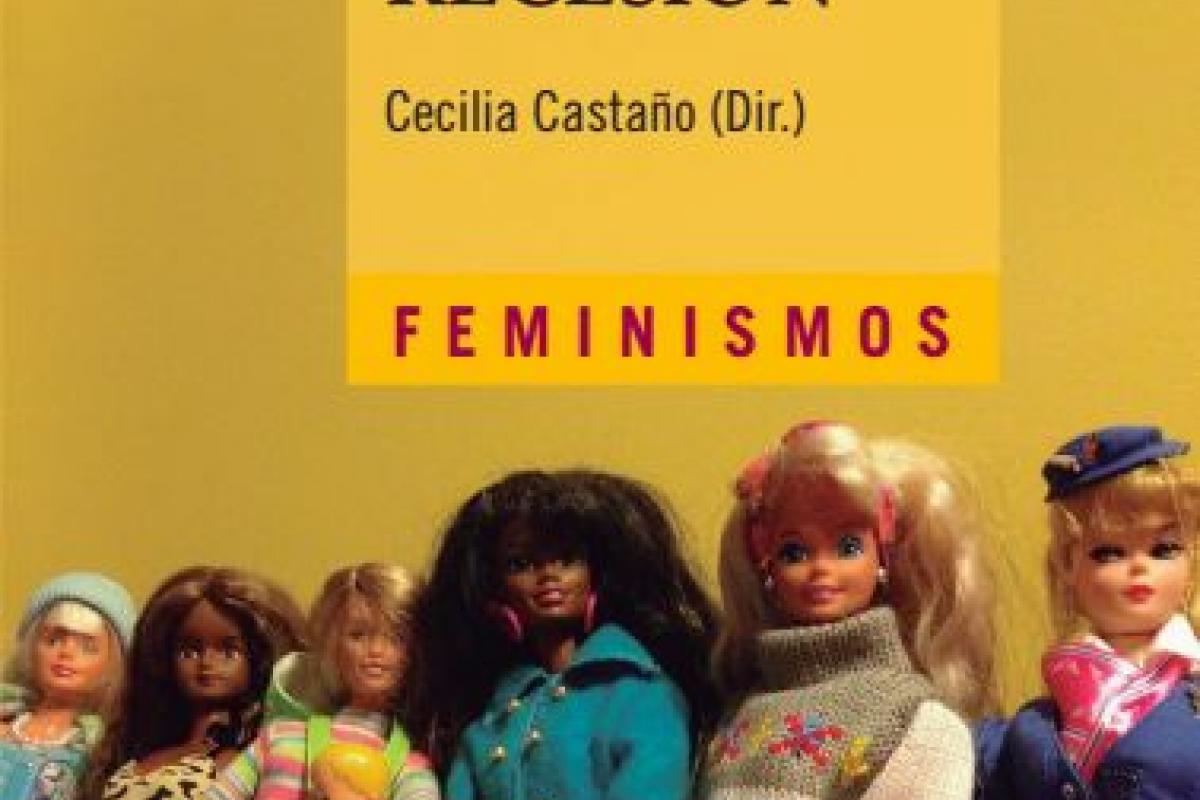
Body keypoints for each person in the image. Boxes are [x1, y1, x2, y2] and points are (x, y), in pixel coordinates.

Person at [704, 421, 994, 800]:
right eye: (794, 552)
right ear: (766, 566)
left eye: (848, 548)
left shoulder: (911, 718)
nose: (821, 568)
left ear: (882, 558)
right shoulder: (744, 710)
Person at [418, 468, 719, 800]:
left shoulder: (640, 692)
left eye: (567, 558)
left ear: (596, 573)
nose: (549, 574)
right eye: (520, 564)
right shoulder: (492, 716)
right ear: (494, 586)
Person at [977, 425, 1200, 799]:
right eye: (1108, 552)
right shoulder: (1040, 718)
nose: (1139, 567)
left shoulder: (1188, 683)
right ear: (1068, 565)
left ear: (1191, 561)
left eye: (1163, 549)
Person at [208, 563, 438, 800]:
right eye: (357, 635)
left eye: (396, 638)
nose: (376, 650)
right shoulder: (281, 737)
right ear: (334, 645)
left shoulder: (408, 768)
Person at [93, 566, 305, 800]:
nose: (206, 663)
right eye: (189, 651)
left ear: (260, 659)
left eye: (229, 651)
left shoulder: (255, 759)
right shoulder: (140, 754)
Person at [0, 571, 136, 800]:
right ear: (31, 647)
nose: (66, 653)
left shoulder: (102, 746)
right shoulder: (7, 720)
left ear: (113, 663)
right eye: (53, 640)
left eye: (87, 648)